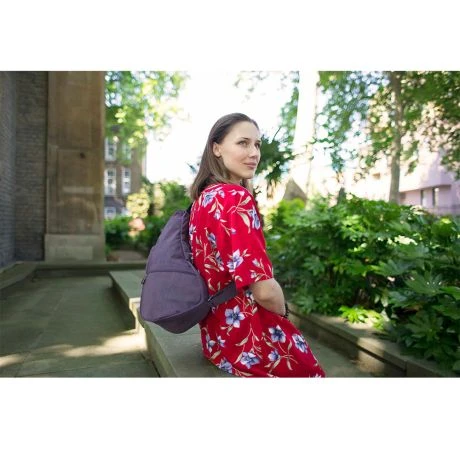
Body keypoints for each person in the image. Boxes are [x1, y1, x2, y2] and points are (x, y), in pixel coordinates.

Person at [189, 113, 325, 377]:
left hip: (217, 338)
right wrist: (283, 314)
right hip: (251, 339)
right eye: (243, 143)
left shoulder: (203, 199)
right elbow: (263, 290)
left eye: (257, 144)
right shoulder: (235, 198)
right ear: (216, 148)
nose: (254, 153)